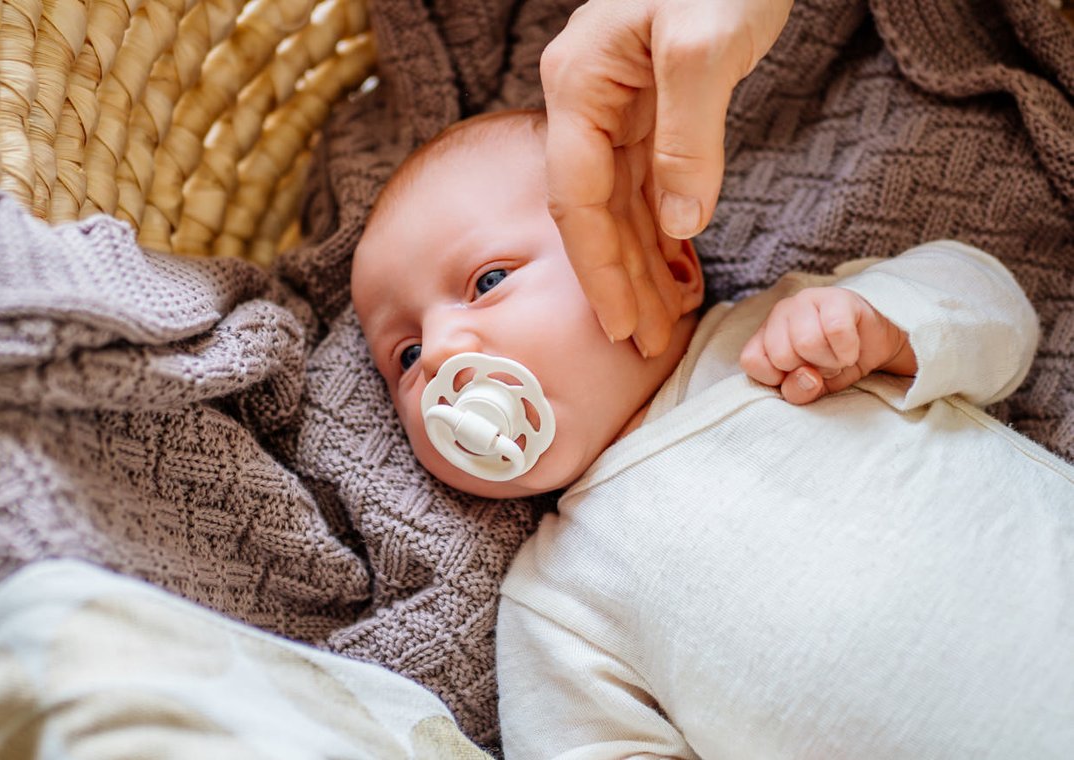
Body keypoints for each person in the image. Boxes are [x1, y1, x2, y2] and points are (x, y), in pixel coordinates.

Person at [350, 110, 1074, 758]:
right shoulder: (556, 601)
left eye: (486, 282)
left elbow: (1000, 318)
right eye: (405, 356)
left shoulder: (791, 337)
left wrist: (883, 323)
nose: (441, 351)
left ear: (665, 266)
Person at [541, 0, 794, 358]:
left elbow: (901, 293)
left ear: (671, 275)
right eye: (426, 346)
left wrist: (874, 326)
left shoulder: (756, 341)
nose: (444, 349)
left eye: (490, 281)